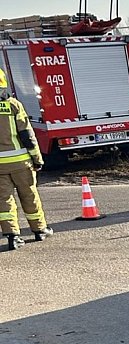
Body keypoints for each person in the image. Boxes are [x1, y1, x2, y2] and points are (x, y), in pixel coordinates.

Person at [0, 69, 52, 250]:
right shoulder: (14, 105)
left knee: (3, 201)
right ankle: (39, 230)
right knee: (29, 195)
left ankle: (12, 237)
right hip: (21, 163)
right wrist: (37, 158)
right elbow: (27, 135)